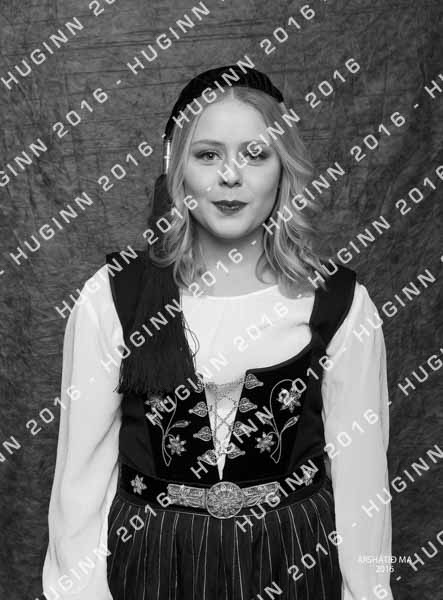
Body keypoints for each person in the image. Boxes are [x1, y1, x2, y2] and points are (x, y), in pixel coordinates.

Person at [42, 64, 394, 600]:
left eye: (256, 154)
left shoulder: (338, 302)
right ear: (176, 168)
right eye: (207, 155)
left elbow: (363, 483)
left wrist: (370, 591)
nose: (231, 176)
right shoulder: (113, 297)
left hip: (294, 561)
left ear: (284, 167)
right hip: (154, 564)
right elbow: (80, 484)